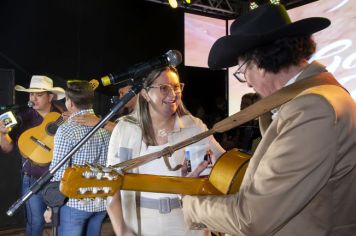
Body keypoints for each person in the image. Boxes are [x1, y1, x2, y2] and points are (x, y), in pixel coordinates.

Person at [182, 4, 356, 236]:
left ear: (259, 64)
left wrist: (191, 205)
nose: (248, 83)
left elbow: (253, 218)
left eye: (243, 72)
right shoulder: (320, 97)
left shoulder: (313, 108)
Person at [106, 66, 225, 236]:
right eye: (164, 88)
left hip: (187, 220)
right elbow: (110, 185)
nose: (173, 93)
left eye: (176, 86)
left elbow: (224, 164)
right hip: (139, 221)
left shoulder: (194, 126)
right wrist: (122, 230)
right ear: (145, 93)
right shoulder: (125, 129)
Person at [0, 75, 65, 236]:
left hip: (58, 180)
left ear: (50, 97)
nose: (33, 98)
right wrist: (1, 134)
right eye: (31, 94)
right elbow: (7, 148)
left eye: (39, 94)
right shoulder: (23, 117)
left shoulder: (62, 116)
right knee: (35, 222)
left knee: (61, 221)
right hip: (31, 179)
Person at [47, 80, 111, 236]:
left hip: (75, 203)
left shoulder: (66, 129)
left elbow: (58, 170)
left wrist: (50, 207)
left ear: (69, 103)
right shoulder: (106, 127)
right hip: (102, 201)